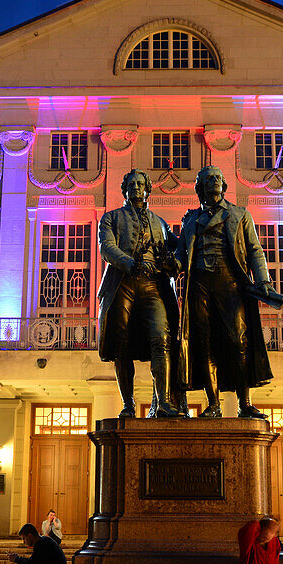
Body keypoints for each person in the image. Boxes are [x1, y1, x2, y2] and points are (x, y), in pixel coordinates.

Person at [175, 166, 282, 419]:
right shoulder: (190, 220)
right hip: (199, 283)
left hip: (231, 282)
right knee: (204, 342)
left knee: (238, 341)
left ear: (223, 186)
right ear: (199, 187)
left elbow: (255, 250)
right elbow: (181, 255)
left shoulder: (240, 214)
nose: (213, 182)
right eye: (208, 179)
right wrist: (170, 263)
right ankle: (213, 404)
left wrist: (263, 281)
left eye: (217, 178)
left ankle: (245, 403)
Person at [98, 169, 183, 418]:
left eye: (140, 184)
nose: (135, 187)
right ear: (124, 189)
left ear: (147, 190)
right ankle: (128, 404)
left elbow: (178, 251)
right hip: (123, 283)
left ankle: (164, 402)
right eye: (131, 184)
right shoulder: (111, 218)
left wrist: (173, 264)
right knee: (122, 346)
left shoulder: (160, 222)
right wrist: (132, 263)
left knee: (161, 338)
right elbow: (108, 248)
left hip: (153, 286)